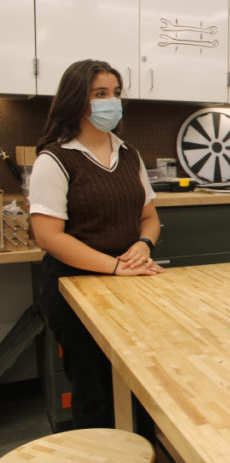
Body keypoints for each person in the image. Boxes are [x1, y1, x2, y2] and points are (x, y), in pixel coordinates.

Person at [29, 59, 165, 428]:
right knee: (95, 390)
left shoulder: (129, 154)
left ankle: (141, 448)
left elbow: (149, 218)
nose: (112, 102)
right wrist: (116, 267)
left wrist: (143, 245)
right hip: (76, 288)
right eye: (101, 94)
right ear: (76, 101)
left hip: (128, 282)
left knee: (141, 382)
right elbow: (48, 236)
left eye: (116, 93)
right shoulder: (55, 159)